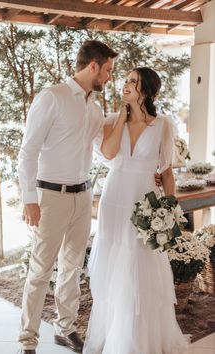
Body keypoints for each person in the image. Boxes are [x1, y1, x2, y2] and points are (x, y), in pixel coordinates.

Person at [17, 40, 118, 354]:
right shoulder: (53, 97)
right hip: (50, 196)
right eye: (108, 70)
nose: (110, 77)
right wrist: (29, 198)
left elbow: (104, 152)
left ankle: (65, 329)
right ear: (93, 67)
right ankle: (27, 341)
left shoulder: (94, 107)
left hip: (82, 195)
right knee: (40, 271)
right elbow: (28, 151)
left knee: (73, 267)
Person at [83, 68, 190, 354]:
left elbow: (166, 172)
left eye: (133, 81)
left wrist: (170, 210)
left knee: (139, 262)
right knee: (113, 261)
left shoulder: (163, 125)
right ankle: (112, 335)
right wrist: (121, 115)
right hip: (114, 198)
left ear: (147, 89)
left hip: (144, 201)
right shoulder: (112, 120)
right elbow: (107, 153)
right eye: (126, 80)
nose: (126, 84)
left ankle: (137, 340)